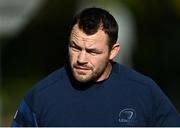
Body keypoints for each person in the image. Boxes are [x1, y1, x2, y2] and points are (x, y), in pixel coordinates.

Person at [12, 7, 180, 127]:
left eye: (92, 51)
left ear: (113, 51)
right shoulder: (41, 97)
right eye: (75, 47)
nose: (81, 59)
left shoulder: (144, 92)